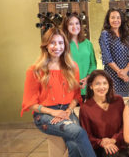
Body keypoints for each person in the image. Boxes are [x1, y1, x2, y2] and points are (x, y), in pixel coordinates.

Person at [21, 28, 96, 157]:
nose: (57, 47)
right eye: (53, 43)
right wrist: (53, 112)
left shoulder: (73, 67)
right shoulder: (35, 70)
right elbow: (30, 103)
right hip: (44, 115)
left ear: (65, 45)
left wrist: (68, 111)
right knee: (79, 133)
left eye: (60, 43)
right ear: (46, 46)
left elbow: (76, 96)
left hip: (67, 110)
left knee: (74, 143)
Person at [80, 70, 127, 157]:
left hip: (120, 145)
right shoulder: (85, 108)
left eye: (105, 83)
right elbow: (86, 135)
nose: (102, 87)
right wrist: (101, 142)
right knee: (110, 153)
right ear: (91, 86)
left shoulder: (118, 101)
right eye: (97, 84)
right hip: (99, 149)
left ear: (109, 85)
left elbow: (125, 125)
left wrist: (114, 139)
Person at [62, 12, 97, 100]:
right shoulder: (63, 44)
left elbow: (93, 64)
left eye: (77, 23)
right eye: (71, 24)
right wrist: (74, 81)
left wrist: (87, 79)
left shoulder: (88, 43)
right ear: (66, 26)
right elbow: (61, 65)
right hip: (69, 88)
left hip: (88, 87)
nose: (74, 26)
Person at [99, 8, 129, 97]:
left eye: (118, 18)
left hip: (125, 77)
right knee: (112, 105)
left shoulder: (125, 35)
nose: (116, 20)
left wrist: (125, 71)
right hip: (112, 76)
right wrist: (120, 72)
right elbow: (107, 57)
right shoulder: (105, 34)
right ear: (108, 20)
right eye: (113, 18)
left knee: (124, 104)